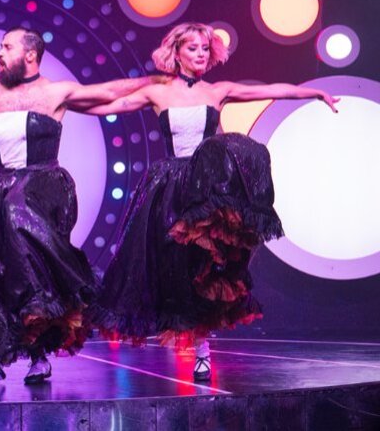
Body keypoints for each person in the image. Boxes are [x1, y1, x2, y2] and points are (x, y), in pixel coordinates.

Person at [78, 22, 338, 381]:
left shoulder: (218, 91)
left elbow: (271, 90)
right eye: (193, 48)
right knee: (168, 263)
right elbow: (107, 104)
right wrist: (58, 105)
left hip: (206, 188)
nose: (200, 54)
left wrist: (314, 93)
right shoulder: (158, 92)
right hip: (169, 186)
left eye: (205, 48)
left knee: (202, 266)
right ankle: (180, 332)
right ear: (176, 53)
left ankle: (202, 348)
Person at [0, 27, 157, 383]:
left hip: (44, 186)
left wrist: (158, 81)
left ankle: (62, 312)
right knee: (1, 268)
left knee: (18, 217)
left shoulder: (56, 92)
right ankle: (35, 355)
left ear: (30, 54)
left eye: (6, 47)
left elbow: (111, 92)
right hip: (2, 188)